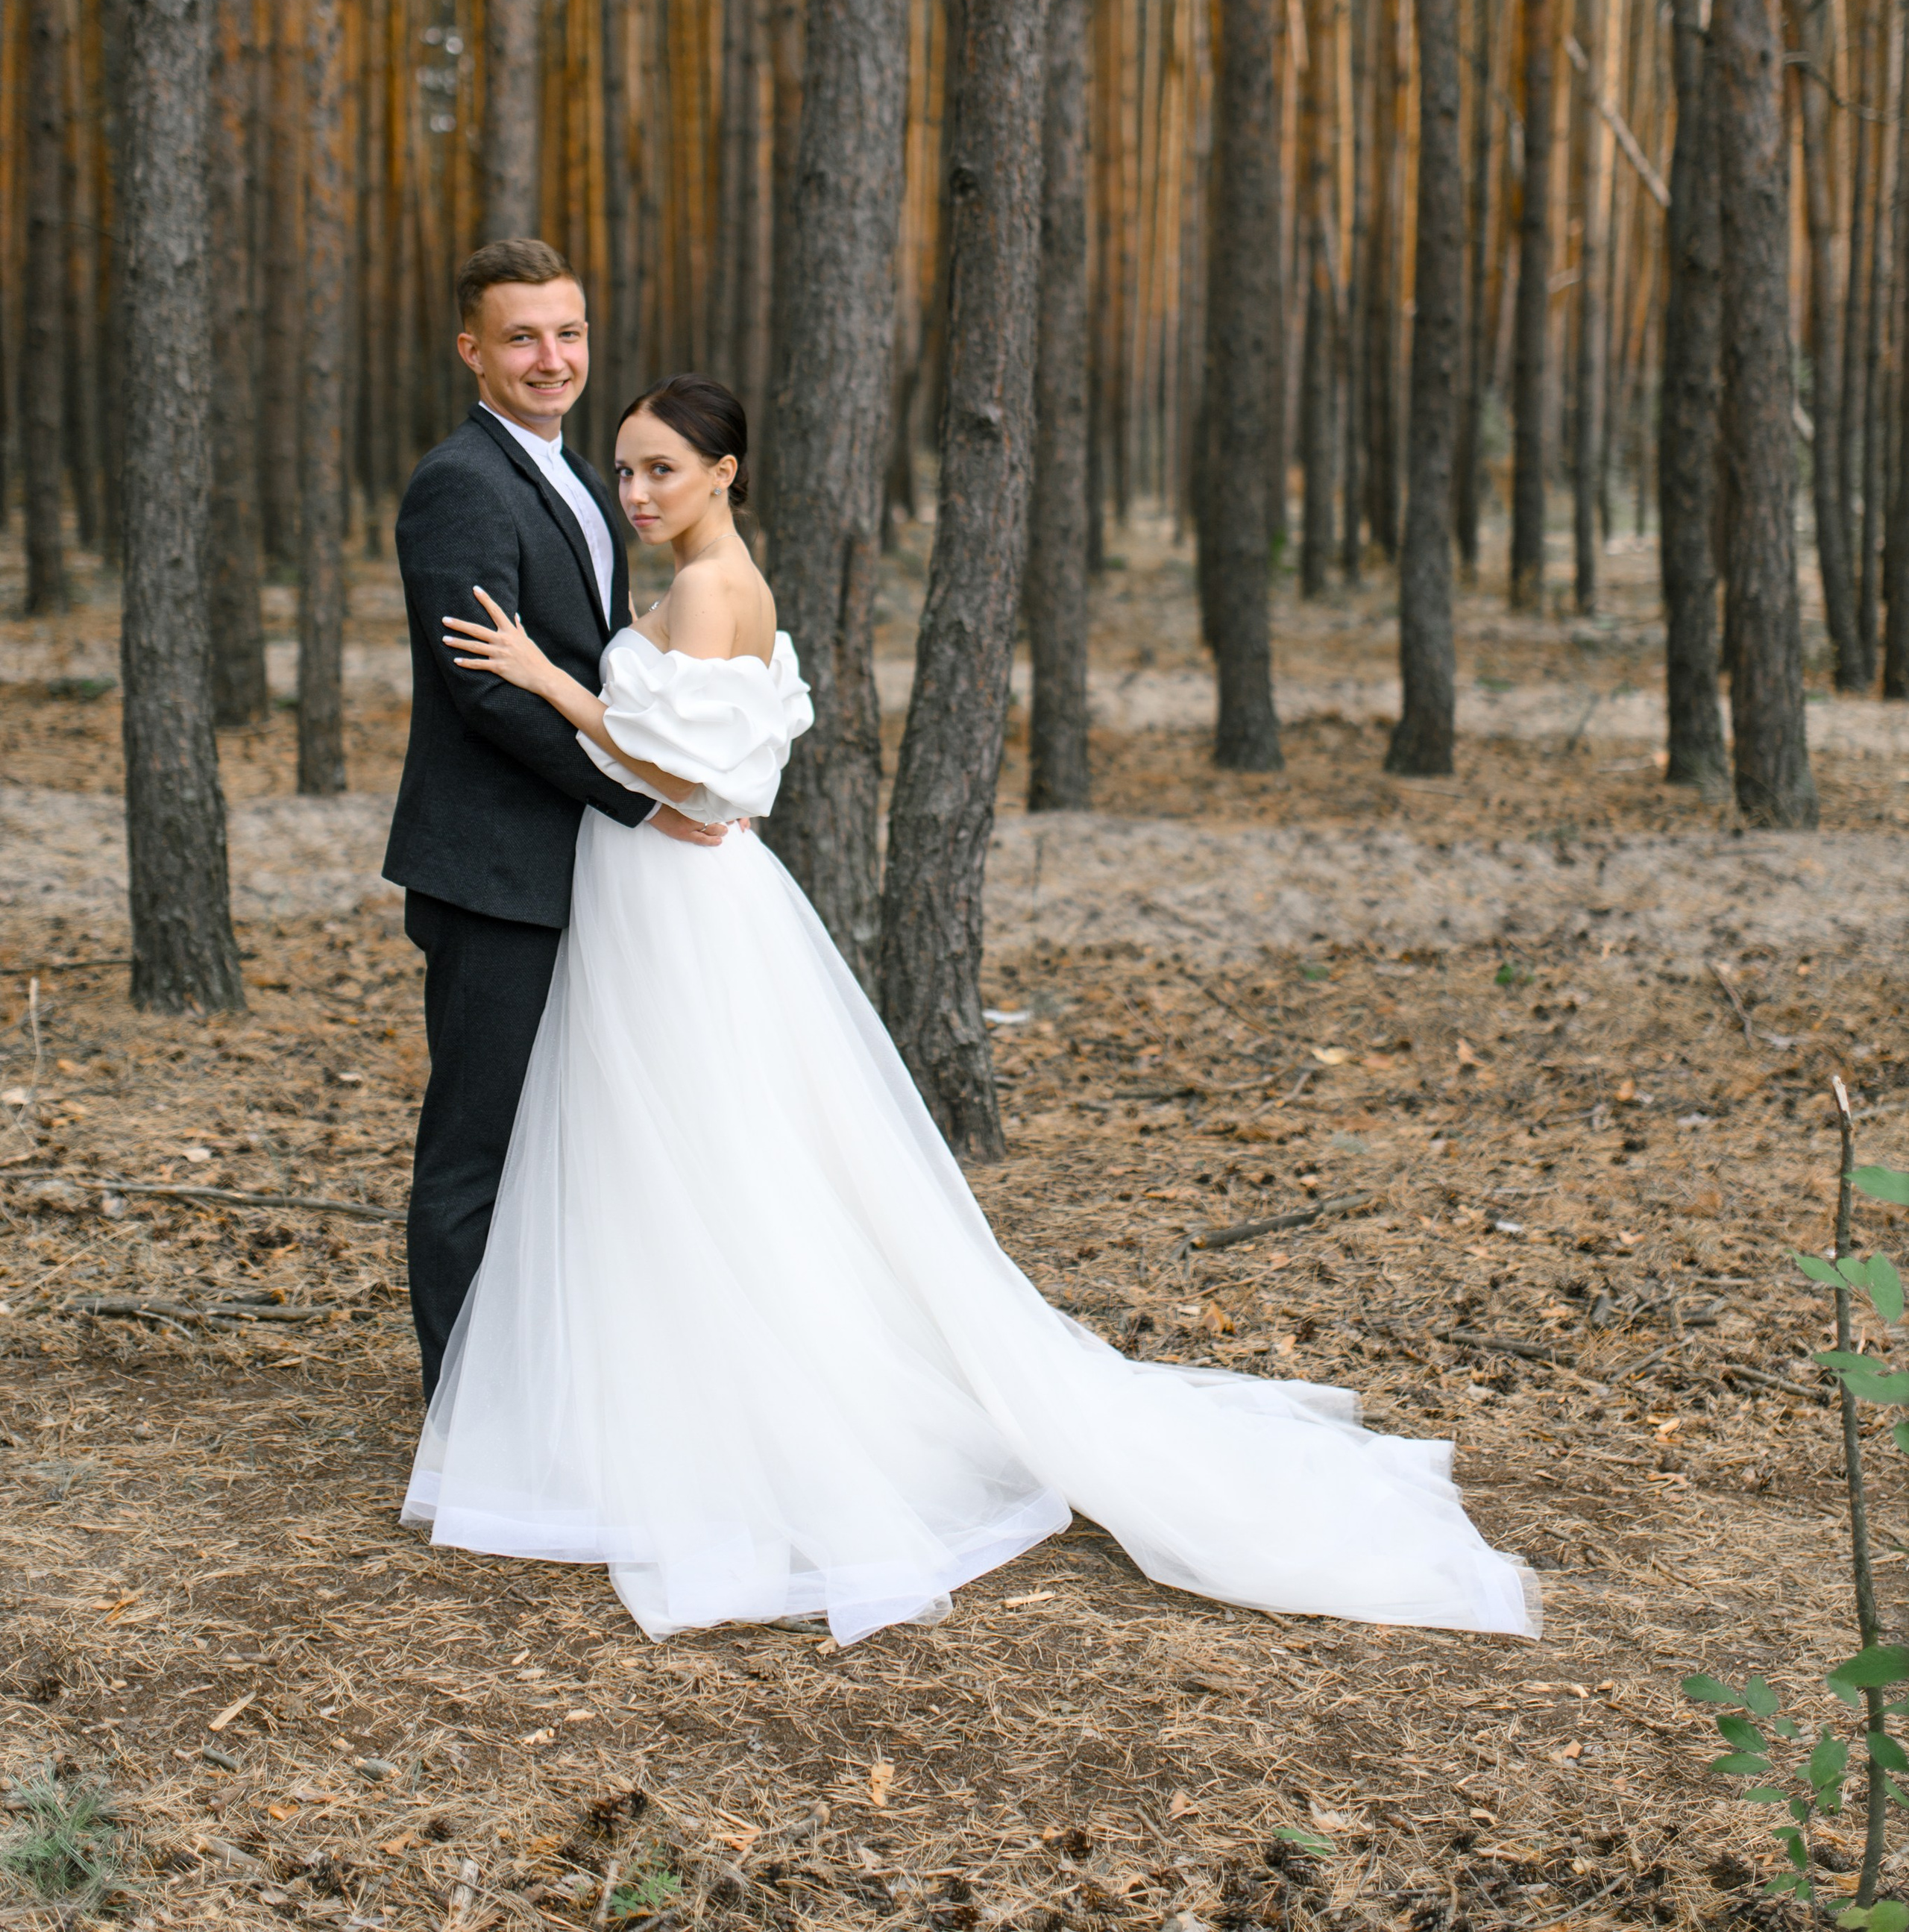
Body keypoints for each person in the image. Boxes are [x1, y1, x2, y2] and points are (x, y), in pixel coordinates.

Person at [403, 368, 1538, 1649]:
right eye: (626, 469)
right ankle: (638, 1396)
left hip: (677, 896)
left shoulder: (719, 589)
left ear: (725, 473)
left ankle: (752, 1410)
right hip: (641, 889)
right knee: (655, 1150)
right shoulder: (685, 585)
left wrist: (552, 683)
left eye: (663, 467)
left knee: (711, 1150)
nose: (637, 489)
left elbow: (711, 776)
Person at [383, 243, 729, 1401]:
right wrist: (638, 798)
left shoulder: (582, 477)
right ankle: (463, 1417)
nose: (552, 358)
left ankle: (544, 1393)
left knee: (567, 1143)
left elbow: (589, 655)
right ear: (472, 348)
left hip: (574, 861)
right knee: (478, 1149)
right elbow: (486, 692)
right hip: (495, 869)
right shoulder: (460, 485)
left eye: (569, 333)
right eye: (523, 337)